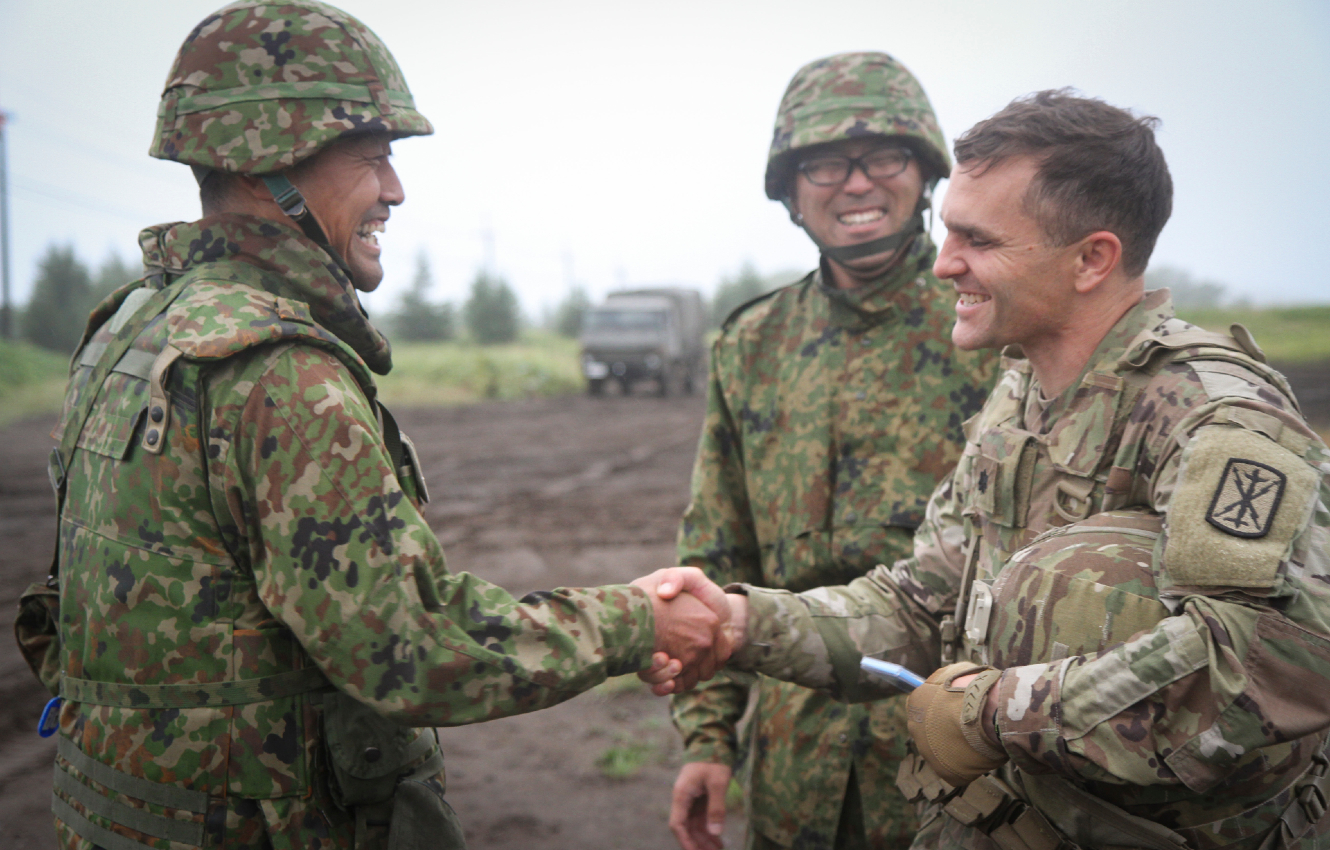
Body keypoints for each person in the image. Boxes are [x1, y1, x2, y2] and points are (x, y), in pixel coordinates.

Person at [16, 3, 731, 848]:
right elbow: (412, 648)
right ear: (267, 164)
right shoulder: (279, 373)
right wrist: (637, 621)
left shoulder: (130, 327)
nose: (395, 189)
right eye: (372, 156)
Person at [681, 90, 1330, 849]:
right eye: (948, 231)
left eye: (978, 240)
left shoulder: (1217, 415)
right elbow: (921, 605)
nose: (943, 263)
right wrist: (737, 623)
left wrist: (993, 714)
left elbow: (1269, 660)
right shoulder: (1018, 396)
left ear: (1091, 259)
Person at [667, 52, 996, 850]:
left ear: (924, 174)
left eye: (883, 156)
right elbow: (718, 549)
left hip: (962, 764)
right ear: (790, 191)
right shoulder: (754, 342)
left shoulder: (992, 328)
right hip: (793, 774)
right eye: (824, 164)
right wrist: (708, 739)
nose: (855, 184)